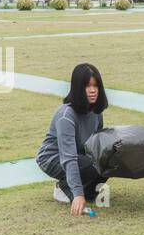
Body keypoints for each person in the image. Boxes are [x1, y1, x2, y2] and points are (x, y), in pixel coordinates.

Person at [36, 63, 109, 217]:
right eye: (87, 86)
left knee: (107, 159)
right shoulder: (66, 116)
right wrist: (77, 195)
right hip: (53, 158)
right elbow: (69, 158)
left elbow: (96, 144)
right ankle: (63, 188)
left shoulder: (96, 112)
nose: (92, 90)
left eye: (96, 86)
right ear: (77, 88)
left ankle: (85, 192)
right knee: (91, 164)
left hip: (78, 154)